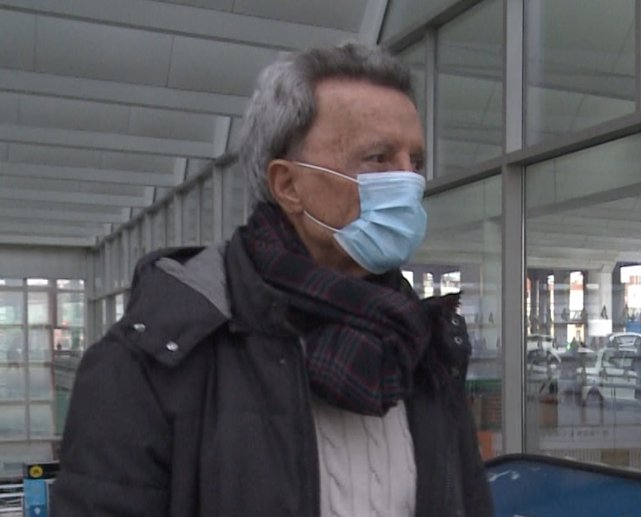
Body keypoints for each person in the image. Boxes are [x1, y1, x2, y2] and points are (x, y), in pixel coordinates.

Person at [51, 42, 493, 517]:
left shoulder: (421, 347)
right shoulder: (152, 363)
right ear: (288, 185)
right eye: (378, 158)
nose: (409, 182)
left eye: (416, 162)